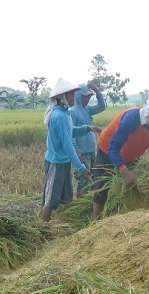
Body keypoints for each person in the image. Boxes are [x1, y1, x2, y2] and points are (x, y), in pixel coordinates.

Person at [91, 90, 149, 219]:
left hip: (131, 154)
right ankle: (96, 219)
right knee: (102, 187)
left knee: (132, 186)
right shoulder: (132, 118)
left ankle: (124, 216)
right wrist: (124, 171)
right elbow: (114, 148)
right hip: (107, 149)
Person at [41, 78, 95, 221]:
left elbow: (69, 132)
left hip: (63, 162)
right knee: (50, 200)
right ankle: (41, 228)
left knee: (66, 198)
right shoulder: (59, 116)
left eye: (73, 94)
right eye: (70, 95)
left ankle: (61, 225)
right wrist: (81, 168)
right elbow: (67, 144)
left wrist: (87, 128)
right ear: (62, 97)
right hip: (56, 163)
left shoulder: (65, 113)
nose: (73, 97)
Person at [70, 82, 106, 196]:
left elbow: (102, 106)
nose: (87, 99)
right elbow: (71, 134)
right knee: (84, 181)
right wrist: (77, 153)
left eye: (89, 96)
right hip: (82, 153)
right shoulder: (73, 111)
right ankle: (80, 205)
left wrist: (96, 90)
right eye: (85, 96)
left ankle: (88, 203)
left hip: (91, 151)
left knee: (93, 179)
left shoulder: (87, 109)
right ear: (78, 96)